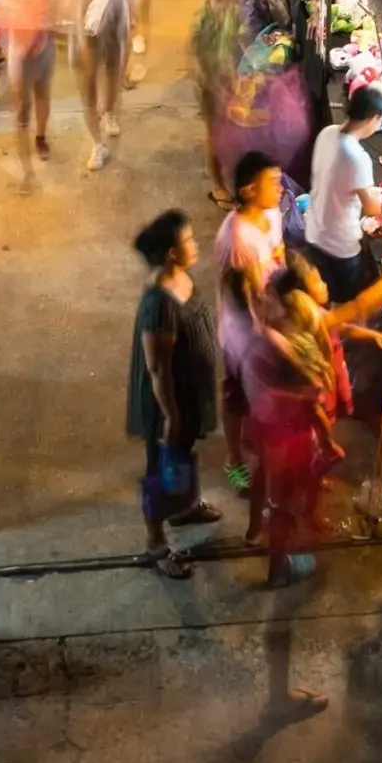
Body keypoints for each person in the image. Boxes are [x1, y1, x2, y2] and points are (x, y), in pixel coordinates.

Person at [128, 212, 220, 578]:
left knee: (181, 456)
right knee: (159, 469)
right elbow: (157, 368)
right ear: (170, 253)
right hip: (166, 402)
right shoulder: (158, 304)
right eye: (189, 241)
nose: (195, 246)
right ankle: (156, 544)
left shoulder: (180, 278)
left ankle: (184, 507)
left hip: (187, 394)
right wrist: (170, 414)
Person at [245, 267, 348, 588]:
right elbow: (309, 401)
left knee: (265, 481)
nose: (262, 297)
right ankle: (279, 568)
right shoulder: (288, 347)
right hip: (287, 435)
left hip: (264, 427)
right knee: (282, 504)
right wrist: (328, 441)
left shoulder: (263, 334)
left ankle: (253, 530)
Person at [214, 153, 289, 506]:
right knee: (236, 396)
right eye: (272, 183)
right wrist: (268, 332)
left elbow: (279, 251)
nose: (281, 187)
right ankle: (234, 458)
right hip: (242, 333)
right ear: (248, 190)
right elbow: (242, 299)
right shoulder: (236, 240)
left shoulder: (271, 214)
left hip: (270, 322)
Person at [301, 85, 382, 306]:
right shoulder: (357, 158)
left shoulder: (328, 132)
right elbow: (371, 208)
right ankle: (341, 333)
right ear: (373, 119)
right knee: (346, 301)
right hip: (339, 245)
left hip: (315, 232)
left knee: (325, 293)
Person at [78, 0, 131, 170]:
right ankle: (97, 143)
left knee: (113, 64)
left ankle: (108, 112)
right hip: (87, 0)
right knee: (88, 80)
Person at [0, 16, 55, 168]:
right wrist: (2, 41)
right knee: (22, 106)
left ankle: (40, 138)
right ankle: (26, 166)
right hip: (16, 44)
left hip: (42, 42)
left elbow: (54, 9)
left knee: (42, 94)